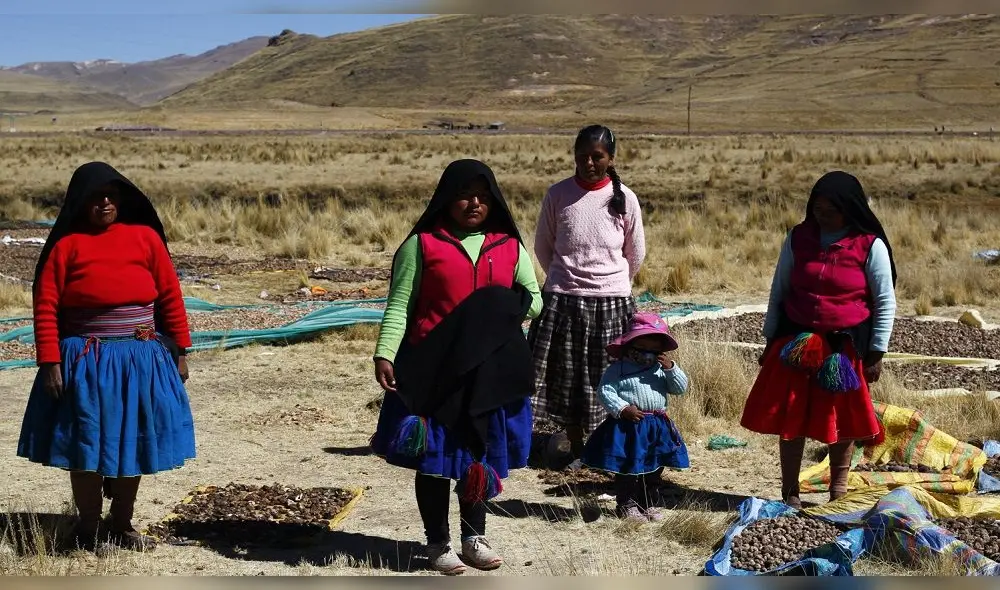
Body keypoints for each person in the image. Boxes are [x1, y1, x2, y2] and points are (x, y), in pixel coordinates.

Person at [368, 159, 542, 576]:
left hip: (487, 372)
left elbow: (533, 300)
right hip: (433, 368)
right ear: (447, 198)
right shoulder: (422, 245)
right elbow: (400, 305)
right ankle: (436, 543)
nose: (474, 202)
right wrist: (385, 352)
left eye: (482, 195)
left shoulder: (508, 246)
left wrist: (498, 307)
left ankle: (473, 537)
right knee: (434, 460)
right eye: (465, 194)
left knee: (476, 454)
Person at [17, 161, 196, 552]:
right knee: (86, 443)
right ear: (80, 203)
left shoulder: (145, 239)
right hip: (85, 359)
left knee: (133, 441)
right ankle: (87, 526)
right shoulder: (67, 246)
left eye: (111, 196)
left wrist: (180, 349)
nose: (104, 203)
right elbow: (45, 306)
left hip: (141, 358)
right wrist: (49, 361)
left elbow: (170, 296)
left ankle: (122, 522)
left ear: (121, 200)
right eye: (96, 197)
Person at [739, 170, 897, 508]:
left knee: (839, 419)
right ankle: (790, 492)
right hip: (797, 344)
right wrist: (770, 339)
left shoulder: (869, 245)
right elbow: (779, 290)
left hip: (843, 349)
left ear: (849, 209)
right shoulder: (798, 238)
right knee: (791, 417)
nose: (822, 217)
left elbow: (885, 301)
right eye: (817, 210)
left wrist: (876, 352)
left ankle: (837, 490)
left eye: (830, 211)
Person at [528, 124, 646, 467]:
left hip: (612, 303)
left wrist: (613, 282)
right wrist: (565, 278)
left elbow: (635, 252)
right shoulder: (558, 194)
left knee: (611, 378)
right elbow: (544, 246)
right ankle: (577, 446)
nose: (589, 163)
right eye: (583, 156)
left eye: (597, 157)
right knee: (567, 379)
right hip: (564, 299)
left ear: (610, 158)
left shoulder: (626, 199)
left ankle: (608, 449)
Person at [581, 312, 690, 522]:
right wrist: (622, 408)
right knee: (628, 467)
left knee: (654, 468)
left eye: (654, 349)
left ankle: (648, 502)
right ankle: (627, 504)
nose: (648, 354)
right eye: (643, 349)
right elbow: (605, 391)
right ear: (631, 345)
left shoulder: (660, 369)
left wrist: (671, 369)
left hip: (656, 426)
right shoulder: (618, 369)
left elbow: (679, 388)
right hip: (629, 427)